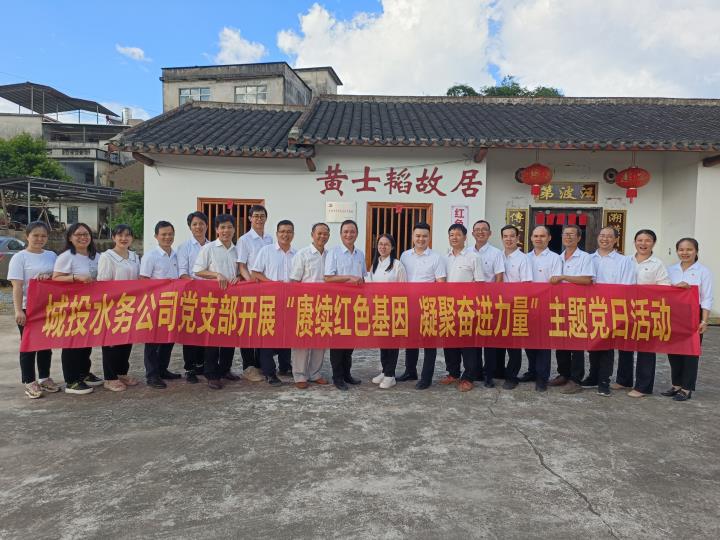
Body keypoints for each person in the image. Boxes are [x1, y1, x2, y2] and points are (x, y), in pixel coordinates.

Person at [617, 229, 671, 397]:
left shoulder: (657, 264)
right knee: (625, 345)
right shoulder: (626, 260)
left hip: (647, 310)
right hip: (626, 309)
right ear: (634, 242)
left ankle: (643, 386)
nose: (643, 243)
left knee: (646, 348)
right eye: (640, 240)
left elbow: (665, 287)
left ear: (653, 243)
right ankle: (623, 380)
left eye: (647, 240)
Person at [8, 221, 59, 399]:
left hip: (48, 307)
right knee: (28, 345)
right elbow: (17, 286)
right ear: (27, 236)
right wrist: (18, 311)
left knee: (45, 344)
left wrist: (50, 275)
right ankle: (29, 381)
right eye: (35, 235)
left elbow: (58, 276)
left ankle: (44, 377)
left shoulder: (51, 255)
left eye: (43, 236)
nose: (39, 239)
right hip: (27, 307)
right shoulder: (19, 258)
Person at [584, 227, 636, 396]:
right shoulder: (588, 258)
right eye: (602, 235)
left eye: (609, 236)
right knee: (593, 343)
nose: (604, 239)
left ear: (615, 240)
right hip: (591, 307)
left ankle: (604, 380)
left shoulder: (624, 261)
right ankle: (593, 375)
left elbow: (627, 286)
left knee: (607, 345)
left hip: (612, 307)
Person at [52, 222, 101, 395]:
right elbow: (55, 278)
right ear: (70, 238)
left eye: (86, 234)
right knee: (72, 343)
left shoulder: (96, 256)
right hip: (72, 307)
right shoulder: (66, 257)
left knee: (86, 342)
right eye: (78, 234)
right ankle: (71, 381)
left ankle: (84, 373)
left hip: (91, 306)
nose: (83, 237)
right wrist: (75, 278)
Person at [193, 214, 241, 390]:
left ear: (234, 229)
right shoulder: (209, 248)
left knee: (230, 335)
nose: (226, 231)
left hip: (232, 300)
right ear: (216, 230)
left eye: (229, 227)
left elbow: (240, 271)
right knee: (212, 336)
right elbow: (198, 271)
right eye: (222, 227)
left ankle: (225, 369)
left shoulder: (237, 250)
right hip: (212, 300)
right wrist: (216, 275)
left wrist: (238, 276)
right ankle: (211, 374)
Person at [663, 238, 713, 402]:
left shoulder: (703, 271)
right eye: (681, 249)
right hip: (673, 314)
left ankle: (686, 388)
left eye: (689, 249)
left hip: (693, 314)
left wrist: (704, 320)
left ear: (696, 251)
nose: (685, 253)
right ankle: (676, 385)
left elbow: (707, 297)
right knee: (673, 350)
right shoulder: (670, 270)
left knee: (690, 352)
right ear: (677, 251)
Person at [398, 222, 447, 390]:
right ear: (413, 237)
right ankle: (410, 371)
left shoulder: (436, 258)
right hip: (409, 305)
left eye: (424, 236)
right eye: (418, 235)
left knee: (429, 344)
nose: (421, 239)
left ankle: (426, 378)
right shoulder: (405, 255)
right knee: (410, 341)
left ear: (429, 237)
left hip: (428, 306)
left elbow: (441, 283)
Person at [548, 224, 595, 394]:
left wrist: (564, 277)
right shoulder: (557, 257)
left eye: (572, 234)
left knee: (576, 343)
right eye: (565, 234)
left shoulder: (585, 257)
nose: (568, 237)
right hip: (559, 304)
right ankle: (563, 374)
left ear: (579, 238)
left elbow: (587, 280)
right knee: (560, 341)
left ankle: (576, 379)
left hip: (577, 305)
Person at [251, 219, 297, 386]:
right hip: (269, 302)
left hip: (289, 302)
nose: (285, 234)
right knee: (268, 337)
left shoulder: (297, 254)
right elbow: (255, 273)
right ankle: (269, 372)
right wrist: (273, 284)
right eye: (282, 231)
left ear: (293, 234)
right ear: (277, 233)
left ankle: (285, 366)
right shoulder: (266, 251)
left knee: (286, 335)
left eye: (289, 231)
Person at [96, 224, 141, 392]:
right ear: (113, 237)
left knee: (126, 340)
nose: (124, 238)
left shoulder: (135, 256)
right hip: (112, 305)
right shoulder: (107, 256)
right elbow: (103, 282)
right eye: (120, 235)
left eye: (127, 235)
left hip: (130, 305)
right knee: (111, 342)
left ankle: (122, 372)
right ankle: (110, 377)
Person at [288, 223, 331, 389]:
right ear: (312, 234)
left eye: (325, 234)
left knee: (320, 340)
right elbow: (294, 281)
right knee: (302, 340)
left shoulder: (330, 255)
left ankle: (315, 373)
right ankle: (299, 375)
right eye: (319, 233)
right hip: (305, 303)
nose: (322, 237)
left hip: (325, 304)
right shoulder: (303, 254)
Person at [324, 219, 365, 391]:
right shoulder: (333, 253)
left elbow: (363, 277)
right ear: (340, 234)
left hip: (356, 304)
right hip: (338, 303)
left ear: (357, 234)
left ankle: (347, 374)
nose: (349, 235)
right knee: (338, 342)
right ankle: (338, 377)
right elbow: (328, 278)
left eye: (352, 232)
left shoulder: (360, 254)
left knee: (350, 341)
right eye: (346, 232)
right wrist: (349, 277)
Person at [139, 221, 181, 389]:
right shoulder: (150, 256)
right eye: (163, 234)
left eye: (170, 234)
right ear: (156, 236)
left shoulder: (176, 255)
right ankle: (152, 375)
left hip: (172, 304)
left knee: (168, 339)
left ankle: (163, 369)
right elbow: (143, 280)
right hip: (155, 304)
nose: (167, 237)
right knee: (152, 341)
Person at [442, 223, 482, 392]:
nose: (454, 237)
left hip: (467, 306)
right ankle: (453, 373)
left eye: (458, 234)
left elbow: (480, 283)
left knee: (468, 343)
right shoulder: (445, 257)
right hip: (448, 306)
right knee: (450, 341)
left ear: (465, 237)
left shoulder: (473, 257)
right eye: (451, 234)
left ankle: (469, 377)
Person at [236, 204, 273, 381]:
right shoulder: (244, 239)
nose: (259, 219)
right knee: (248, 327)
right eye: (256, 216)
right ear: (250, 218)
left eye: (262, 216)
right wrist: (251, 282)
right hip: (250, 289)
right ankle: (248, 366)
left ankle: (260, 364)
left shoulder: (270, 238)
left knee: (262, 325)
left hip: (267, 289)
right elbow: (242, 265)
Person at [524, 225, 562, 392]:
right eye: (536, 236)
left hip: (546, 305)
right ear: (531, 238)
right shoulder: (525, 257)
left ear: (549, 238)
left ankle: (542, 377)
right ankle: (532, 371)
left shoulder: (555, 258)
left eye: (542, 236)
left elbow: (556, 283)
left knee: (543, 343)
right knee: (529, 341)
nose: (538, 239)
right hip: (526, 305)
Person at [366, 234, 407, 390]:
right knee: (382, 342)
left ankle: (390, 375)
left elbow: (403, 288)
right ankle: (384, 371)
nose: (383, 247)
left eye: (386, 244)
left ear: (392, 247)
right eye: (380, 244)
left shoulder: (397, 265)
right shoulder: (374, 264)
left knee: (392, 343)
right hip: (379, 309)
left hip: (394, 309)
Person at [498, 225, 533, 390]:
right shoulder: (498, 256)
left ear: (518, 238)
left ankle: (512, 376)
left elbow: (526, 284)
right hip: (498, 305)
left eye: (512, 236)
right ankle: (499, 371)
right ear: (502, 238)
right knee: (499, 341)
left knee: (513, 344)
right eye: (505, 236)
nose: (509, 239)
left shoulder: (523, 258)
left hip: (515, 305)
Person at [177, 211, 210, 384]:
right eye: (195, 224)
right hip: (191, 295)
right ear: (190, 227)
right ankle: (189, 368)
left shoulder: (213, 246)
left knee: (206, 329)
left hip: (210, 296)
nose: (198, 227)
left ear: (207, 225)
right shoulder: (184, 247)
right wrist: (196, 285)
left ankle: (201, 365)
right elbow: (182, 272)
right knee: (190, 332)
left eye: (201, 223)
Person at [471, 219, 504, 382]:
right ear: (472, 233)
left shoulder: (496, 253)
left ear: (490, 233)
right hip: (471, 303)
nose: (480, 232)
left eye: (484, 229)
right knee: (474, 340)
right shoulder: (467, 252)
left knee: (489, 340)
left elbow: (499, 277)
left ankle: (489, 374)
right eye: (477, 229)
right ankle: (476, 372)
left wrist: (494, 300)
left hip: (489, 302)